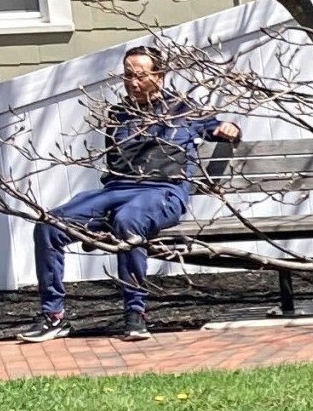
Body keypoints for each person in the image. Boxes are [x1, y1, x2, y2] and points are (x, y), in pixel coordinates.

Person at [17, 45, 240, 344]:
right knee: (49, 225)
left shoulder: (183, 110)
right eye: (127, 76)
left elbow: (218, 128)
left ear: (159, 76)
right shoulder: (118, 114)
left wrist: (231, 128)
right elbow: (115, 164)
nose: (133, 83)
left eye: (140, 76)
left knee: (129, 221)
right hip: (117, 190)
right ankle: (53, 316)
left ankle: (135, 313)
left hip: (163, 192)